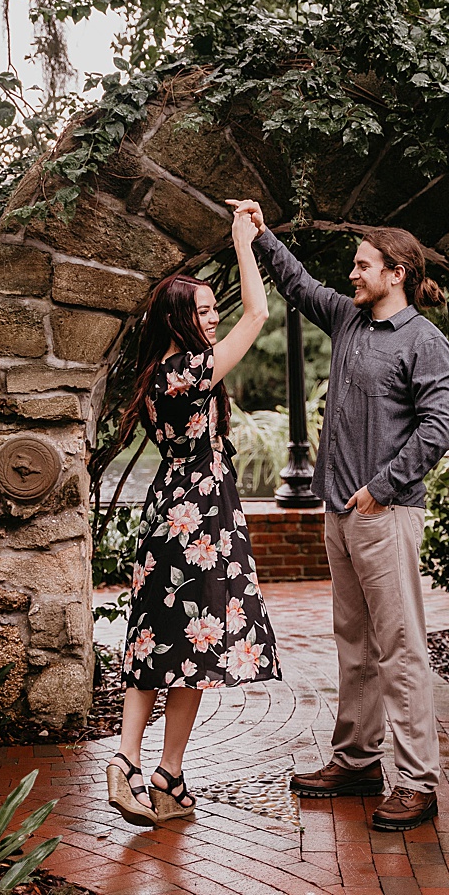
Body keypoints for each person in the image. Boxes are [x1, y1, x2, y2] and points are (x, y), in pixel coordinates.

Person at [229, 199, 449, 833]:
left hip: (385, 515)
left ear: (397, 273)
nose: (351, 275)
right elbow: (299, 284)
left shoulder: (423, 341)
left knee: (401, 651)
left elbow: (440, 428)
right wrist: (260, 232)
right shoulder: (349, 322)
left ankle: (417, 781)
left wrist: (380, 489)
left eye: (362, 266)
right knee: (354, 646)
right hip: (341, 517)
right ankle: (358, 762)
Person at [107, 207, 280, 828]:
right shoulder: (189, 372)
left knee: (170, 644)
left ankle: (159, 773)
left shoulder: (161, 374)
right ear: (181, 320)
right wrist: (243, 241)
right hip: (199, 516)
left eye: (214, 310)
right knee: (188, 643)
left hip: (171, 509)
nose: (215, 319)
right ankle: (140, 766)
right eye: (206, 311)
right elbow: (259, 315)